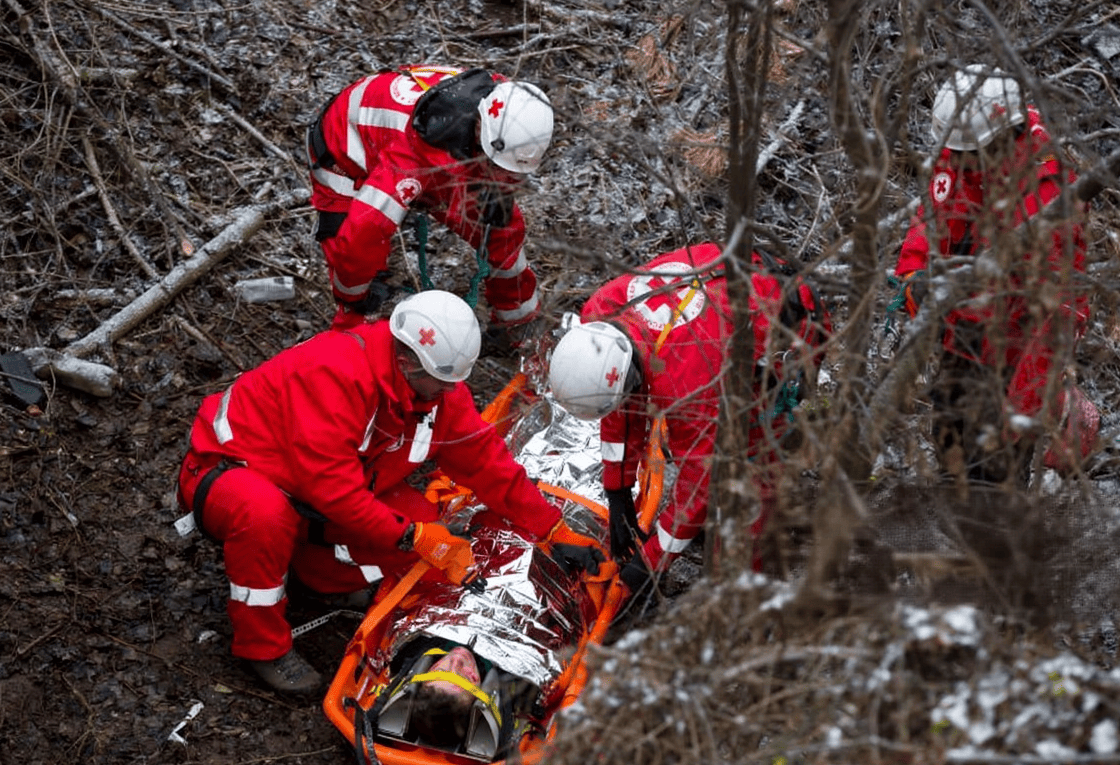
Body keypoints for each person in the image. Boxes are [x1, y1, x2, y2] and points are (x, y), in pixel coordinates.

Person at [175, 290, 600, 695]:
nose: (450, 394)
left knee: (425, 531)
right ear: (405, 362)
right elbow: (333, 490)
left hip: (312, 495)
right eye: (441, 383)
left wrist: (551, 526)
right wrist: (411, 535)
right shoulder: (334, 373)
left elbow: (487, 464)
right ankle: (262, 645)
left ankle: (317, 572)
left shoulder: (434, 392)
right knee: (266, 516)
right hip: (234, 471)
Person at [545, 243, 829, 598]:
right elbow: (624, 406)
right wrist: (617, 490)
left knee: (753, 464)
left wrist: (651, 561)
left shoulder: (687, 386)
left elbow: (700, 480)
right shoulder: (602, 316)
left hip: (788, 324)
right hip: (739, 288)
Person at [891, 64, 1100, 483]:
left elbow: (1058, 315)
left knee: (993, 480)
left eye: (970, 156)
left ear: (1003, 138)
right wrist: (914, 275)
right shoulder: (960, 151)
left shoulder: (1050, 193)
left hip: (1016, 348)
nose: (962, 164)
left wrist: (1018, 414)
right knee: (951, 457)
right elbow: (931, 218)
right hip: (962, 335)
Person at [306, 64, 554, 332]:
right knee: (356, 242)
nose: (502, 177)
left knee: (501, 231)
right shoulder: (413, 154)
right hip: (345, 150)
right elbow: (364, 230)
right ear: (481, 128)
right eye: (497, 168)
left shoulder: (509, 109)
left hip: (448, 154)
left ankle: (518, 321)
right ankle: (354, 322)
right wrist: (354, 298)